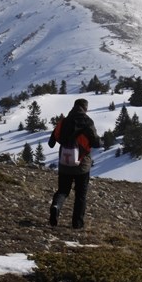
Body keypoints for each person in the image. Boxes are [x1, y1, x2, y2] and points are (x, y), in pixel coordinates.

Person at [47, 98, 101, 229]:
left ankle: (56, 206)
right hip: (82, 165)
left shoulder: (64, 121)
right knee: (80, 195)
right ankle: (77, 224)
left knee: (63, 190)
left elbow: (51, 142)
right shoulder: (88, 122)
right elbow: (96, 143)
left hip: (65, 163)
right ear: (85, 108)